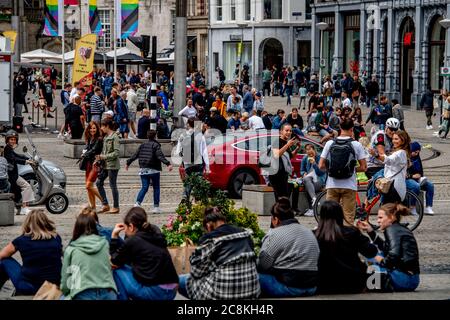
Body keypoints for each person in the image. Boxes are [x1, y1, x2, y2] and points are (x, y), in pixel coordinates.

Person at [178, 207, 260, 300]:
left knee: (180, 280)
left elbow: (196, 273)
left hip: (221, 294)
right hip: (251, 291)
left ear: (208, 226)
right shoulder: (245, 234)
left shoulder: (211, 239)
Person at [111, 207, 179, 300]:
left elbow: (114, 261)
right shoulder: (155, 233)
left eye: (125, 228)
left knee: (116, 271)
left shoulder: (133, 241)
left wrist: (114, 236)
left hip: (155, 292)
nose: (125, 231)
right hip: (172, 290)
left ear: (131, 227)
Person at [257, 198, 319, 297]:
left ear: (275, 219)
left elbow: (262, 265)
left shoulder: (275, 234)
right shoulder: (309, 232)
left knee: (251, 276)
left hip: (289, 287)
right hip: (311, 287)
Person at [316, 200, 378, 294]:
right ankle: (377, 286)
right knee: (376, 264)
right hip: (353, 283)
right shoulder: (352, 232)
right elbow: (371, 251)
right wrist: (369, 233)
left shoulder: (315, 235)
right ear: (341, 215)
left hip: (324, 284)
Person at [357, 203, 420, 292]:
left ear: (391, 217)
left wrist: (380, 260)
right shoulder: (399, 228)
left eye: (380, 218)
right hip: (413, 280)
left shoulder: (392, 230)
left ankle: (374, 286)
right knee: (376, 253)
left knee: (371, 255)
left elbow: (393, 256)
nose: (378, 221)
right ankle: (373, 284)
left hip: (404, 280)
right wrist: (370, 231)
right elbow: (386, 248)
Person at [0, 210, 62, 295]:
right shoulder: (56, 238)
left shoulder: (21, 240)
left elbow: (2, 255)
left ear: (27, 224)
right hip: (53, 286)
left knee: (4, 261)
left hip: (29, 287)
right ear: (46, 222)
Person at [319, 118, 368, 226]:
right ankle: (346, 240)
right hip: (349, 186)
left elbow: (321, 165)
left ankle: (330, 240)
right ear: (352, 129)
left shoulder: (330, 143)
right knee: (348, 217)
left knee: (330, 217)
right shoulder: (356, 145)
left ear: (340, 128)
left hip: (332, 184)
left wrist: (333, 168)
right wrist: (350, 169)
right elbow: (364, 167)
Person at [60, 213, 117, 300]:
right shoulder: (105, 244)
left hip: (83, 292)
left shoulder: (71, 249)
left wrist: (67, 292)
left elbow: (65, 282)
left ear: (76, 228)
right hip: (108, 292)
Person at [126, 129, 173, 213]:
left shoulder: (142, 145)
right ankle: (156, 207)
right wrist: (168, 164)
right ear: (155, 136)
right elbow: (160, 156)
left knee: (144, 187)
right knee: (156, 187)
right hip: (154, 169)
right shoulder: (156, 145)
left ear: (147, 136)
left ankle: (137, 203)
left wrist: (128, 163)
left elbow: (135, 155)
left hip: (143, 168)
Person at [369, 130, 410, 205]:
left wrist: (376, 155)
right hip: (391, 186)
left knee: (388, 211)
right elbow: (388, 159)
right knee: (390, 212)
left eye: (396, 139)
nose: (394, 141)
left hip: (394, 187)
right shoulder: (399, 152)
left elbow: (388, 160)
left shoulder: (400, 153)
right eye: (393, 139)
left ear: (403, 141)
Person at [4, 130, 35, 215]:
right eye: (11, 139)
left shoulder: (9, 148)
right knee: (27, 186)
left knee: (22, 188)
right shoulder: (7, 149)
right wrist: (26, 162)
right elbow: (14, 159)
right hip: (12, 176)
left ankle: (21, 208)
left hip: (13, 174)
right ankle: (25, 208)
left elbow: (17, 155)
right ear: (7, 140)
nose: (13, 141)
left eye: (14, 139)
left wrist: (26, 158)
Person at [268, 123, 300, 200]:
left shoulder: (286, 142)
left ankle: (280, 211)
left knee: (283, 198)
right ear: (281, 131)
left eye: (290, 131)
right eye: (286, 130)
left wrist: (296, 149)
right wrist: (288, 145)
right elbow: (277, 154)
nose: (289, 132)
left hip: (283, 174)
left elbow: (290, 156)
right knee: (281, 198)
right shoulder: (276, 141)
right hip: (276, 175)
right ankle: (278, 211)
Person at [96, 118, 120, 214]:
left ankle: (116, 207)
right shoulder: (106, 137)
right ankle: (105, 204)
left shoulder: (115, 137)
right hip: (105, 165)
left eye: (102, 126)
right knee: (98, 183)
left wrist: (104, 156)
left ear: (107, 126)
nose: (101, 128)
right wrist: (99, 158)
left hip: (113, 165)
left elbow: (116, 153)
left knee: (112, 185)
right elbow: (104, 151)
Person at [81, 121, 104, 210]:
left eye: (94, 128)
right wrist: (83, 152)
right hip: (88, 164)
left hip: (95, 164)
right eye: (90, 128)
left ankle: (104, 201)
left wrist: (85, 154)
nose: (92, 130)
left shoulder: (99, 139)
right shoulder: (89, 138)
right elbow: (86, 148)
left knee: (88, 185)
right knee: (88, 187)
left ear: (97, 129)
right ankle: (93, 206)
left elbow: (94, 150)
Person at [408, 141, 434, 215]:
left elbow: (420, 172)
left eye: (417, 152)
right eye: (414, 152)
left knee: (430, 185)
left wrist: (420, 177)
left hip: (417, 179)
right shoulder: (407, 157)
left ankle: (429, 207)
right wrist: (412, 176)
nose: (415, 154)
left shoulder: (417, 157)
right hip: (408, 179)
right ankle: (412, 208)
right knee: (416, 186)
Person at [301, 144, 326, 217]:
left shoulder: (320, 158)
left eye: (311, 151)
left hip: (319, 180)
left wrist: (314, 164)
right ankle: (314, 199)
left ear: (314, 150)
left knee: (307, 187)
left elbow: (321, 172)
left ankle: (311, 209)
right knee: (306, 180)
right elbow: (302, 170)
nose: (309, 153)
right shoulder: (305, 158)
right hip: (309, 179)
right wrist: (304, 173)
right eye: (307, 151)